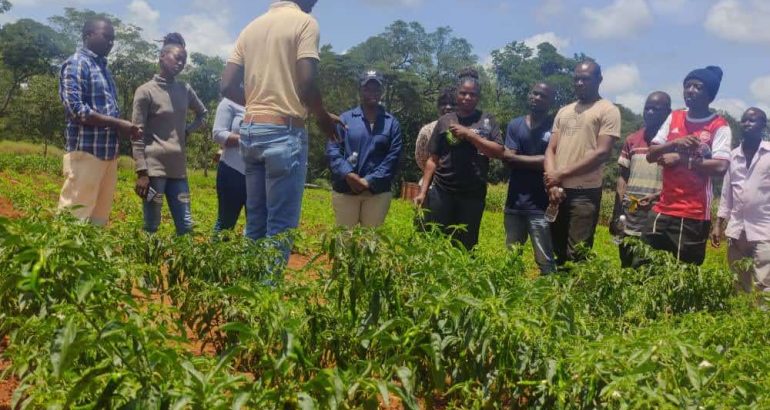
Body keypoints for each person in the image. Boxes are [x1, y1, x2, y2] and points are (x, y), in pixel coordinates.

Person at [220, 0, 340, 262]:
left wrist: (259, 104)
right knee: (280, 228)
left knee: (256, 222)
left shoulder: (251, 27)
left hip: (251, 131)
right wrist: (321, 118)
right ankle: (266, 297)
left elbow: (227, 86)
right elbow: (306, 84)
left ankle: (246, 293)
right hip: (283, 133)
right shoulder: (305, 23)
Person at [57, 17, 142, 226]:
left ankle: (91, 258)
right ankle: (62, 258)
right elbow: (76, 110)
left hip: (108, 155)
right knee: (73, 217)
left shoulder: (103, 68)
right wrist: (117, 124)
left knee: (98, 219)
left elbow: (105, 112)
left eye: (113, 39)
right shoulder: (77, 63)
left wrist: (122, 128)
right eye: (106, 37)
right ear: (88, 36)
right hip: (87, 153)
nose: (111, 43)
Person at [645, 66, 731, 265]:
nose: (690, 90)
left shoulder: (719, 125)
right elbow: (651, 155)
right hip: (662, 208)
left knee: (684, 273)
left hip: (693, 213)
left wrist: (681, 159)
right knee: (646, 266)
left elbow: (720, 167)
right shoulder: (674, 117)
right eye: (687, 86)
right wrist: (675, 143)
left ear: (710, 95)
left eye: (697, 87)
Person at [414, 68, 504, 251]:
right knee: (437, 241)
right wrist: (423, 192)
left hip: (473, 194)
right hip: (442, 191)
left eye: (472, 94)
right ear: (457, 94)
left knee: (466, 246)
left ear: (478, 97)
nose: (467, 97)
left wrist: (470, 135)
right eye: (463, 93)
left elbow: (499, 151)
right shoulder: (445, 120)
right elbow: (433, 159)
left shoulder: (487, 120)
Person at [544, 61, 621, 265]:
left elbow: (602, 153)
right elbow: (551, 149)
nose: (579, 83)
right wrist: (553, 182)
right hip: (557, 190)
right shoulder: (564, 111)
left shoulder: (607, 110)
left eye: (585, 79)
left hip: (584, 193)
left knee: (577, 253)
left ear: (599, 80)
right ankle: (557, 294)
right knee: (556, 249)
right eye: (576, 78)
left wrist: (561, 174)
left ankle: (576, 295)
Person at [132, 33, 208, 235]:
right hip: (154, 171)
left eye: (184, 60)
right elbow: (136, 134)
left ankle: (185, 265)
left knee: (186, 224)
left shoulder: (185, 89)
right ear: (162, 57)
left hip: (178, 172)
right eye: (177, 58)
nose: (181, 63)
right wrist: (141, 172)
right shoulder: (145, 91)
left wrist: (186, 131)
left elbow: (203, 114)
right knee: (151, 224)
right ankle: (148, 264)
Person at [326, 70, 403, 227]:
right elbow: (332, 150)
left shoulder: (391, 123)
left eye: (376, 89)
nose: (372, 93)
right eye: (367, 88)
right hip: (346, 190)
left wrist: (368, 181)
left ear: (382, 91)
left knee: (370, 242)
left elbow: (393, 157)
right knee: (345, 241)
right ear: (361, 90)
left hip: (377, 193)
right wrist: (348, 174)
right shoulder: (345, 119)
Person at [711, 107, 770, 292]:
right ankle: (741, 316)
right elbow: (727, 194)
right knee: (738, 281)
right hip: (737, 230)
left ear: (763, 125)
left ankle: (761, 320)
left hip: (765, 229)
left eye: (752, 120)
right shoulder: (733, 156)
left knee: (764, 283)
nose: (746, 124)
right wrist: (718, 224)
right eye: (744, 120)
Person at [611, 91, 671, 267]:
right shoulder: (632, 139)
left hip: (657, 215)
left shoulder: (672, 143)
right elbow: (623, 177)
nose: (649, 112)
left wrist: (658, 196)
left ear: (668, 112)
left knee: (647, 265)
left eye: (655, 109)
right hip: (630, 212)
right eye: (647, 108)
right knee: (626, 262)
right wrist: (617, 211)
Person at [502, 82, 556, 274]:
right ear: (529, 95)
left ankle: (549, 298)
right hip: (514, 203)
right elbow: (507, 159)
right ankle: (511, 294)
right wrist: (543, 160)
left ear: (551, 101)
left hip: (541, 205)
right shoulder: (515, 125)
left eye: (543, 95)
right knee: (511, 257)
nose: (537, 98)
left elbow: (554, 161)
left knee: (545, 259)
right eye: (535, 93)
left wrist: (517, 159)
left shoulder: (555, 127)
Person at [212, 97, 246, 232]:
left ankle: (250, 253)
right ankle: (217, 253)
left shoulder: (265, 103)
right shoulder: (230, 102)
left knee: (257, 226)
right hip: (232, 172)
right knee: (226, 223)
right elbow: (218, 134)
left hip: (259, 176)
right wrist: (248, 137)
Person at [415, 88, 456, 175]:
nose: (448, 107)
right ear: (438, 106)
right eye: (444, 104)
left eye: (453, 104)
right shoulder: (427, 130)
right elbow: (420, 158)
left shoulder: (467, 131)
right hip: (433, 180)